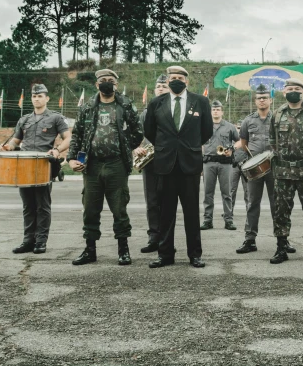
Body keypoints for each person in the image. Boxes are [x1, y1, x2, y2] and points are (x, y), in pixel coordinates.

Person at [67, 69, 145, 266]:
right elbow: (77, 134)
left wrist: (125, 147)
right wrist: (71, 158)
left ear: (116, 85)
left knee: (119, 208)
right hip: (91, 165)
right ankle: (90, 250)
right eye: (103, 80)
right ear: (96, 84)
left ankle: (123, 250)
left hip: (116, 164)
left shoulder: (125, 105)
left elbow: (138, 132)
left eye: (110, 80)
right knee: (90, 209)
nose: (107, 83)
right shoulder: (87, 107)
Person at [143, 65, 213, 268]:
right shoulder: (157, 103)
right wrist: (166, 146)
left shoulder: (200, 101)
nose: (176, 80)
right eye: (172, 77)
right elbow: (150, 131)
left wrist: (189, 146)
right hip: (165, 165)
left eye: (180, 77)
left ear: (187, 81)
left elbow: (206, 130)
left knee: (192, 213)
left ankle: (195, 255)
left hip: (189, 165)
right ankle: (165, 255)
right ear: (167, 81)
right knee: (166, 213)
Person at [5, 83, 70, 255]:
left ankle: (41, 241)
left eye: (40, 96)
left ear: (47, 98)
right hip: (25, 166)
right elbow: (16, 141)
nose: (36, 98)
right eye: (34, 96)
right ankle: (28, 241)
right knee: (28, 205)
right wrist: (8, 147)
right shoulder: (24, 119)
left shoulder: (55, 118)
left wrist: (57, 150)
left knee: (42, 205)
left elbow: (68, 138)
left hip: (43, 165)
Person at [268, 78, 303, 265]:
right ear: (284, 92)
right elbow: (273, 141)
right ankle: (281, 248)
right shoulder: (277, 114)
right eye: (290, 88)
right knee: (281, 211)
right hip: (283, 172)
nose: (294, 91)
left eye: (297, 89)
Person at [235, 84, 296, 254]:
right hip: (254, 170)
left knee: (278, 204)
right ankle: (250, 240)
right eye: (259, 98)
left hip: (274, 168)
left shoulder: (278, 118)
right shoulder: (248, 121)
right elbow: (244, 144)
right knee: (252, 203)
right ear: (255, 101)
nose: (262, 100)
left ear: (270, 100)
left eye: (265, 97)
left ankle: (282, 240)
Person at [138, 74, 170, 253]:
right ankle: (153, 237)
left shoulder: (174, 109)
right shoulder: (146, 112)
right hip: (150, 161)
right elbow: (138, 135)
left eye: (164, 86)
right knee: (151, 201)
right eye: (158, 86)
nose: (160, 88)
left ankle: (166, 238)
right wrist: (139, 148)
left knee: (167, 201)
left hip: (169, 162)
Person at [201, 100, 239, 230]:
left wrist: (232, 149)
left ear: (222, 111)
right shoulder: (204, 126)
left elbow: (239, 142)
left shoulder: (229, 127)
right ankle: (207, 220)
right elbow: (198, 142)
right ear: (210, 112)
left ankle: (228, 220)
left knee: (227, 193)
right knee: (208, 193)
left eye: (218, 109)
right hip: (208, 162)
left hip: (225, 163)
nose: (215, 111)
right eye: (213, 109)